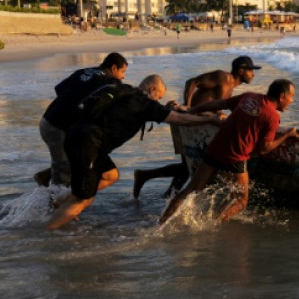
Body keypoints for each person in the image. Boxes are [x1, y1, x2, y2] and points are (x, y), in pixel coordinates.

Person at [46, 74, 223, 230]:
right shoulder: (144, 104)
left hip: (75, 135)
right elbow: (179, 120)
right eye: (158, 96)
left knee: (110, 175)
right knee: (83, 199)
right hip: (88, 144)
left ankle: (61, 204)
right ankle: (46, 234)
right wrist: (211, 119)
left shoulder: (122, 90)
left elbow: (163, 112)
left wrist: (169, 108)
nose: (157, 101)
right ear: (152, 89)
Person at [159, 79, 299, 224]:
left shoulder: (249, 96)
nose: (291, 100)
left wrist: (191, 110)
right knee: (241, 200)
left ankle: (161, 222)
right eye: (291, 96)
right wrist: (287, 135)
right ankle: (215, 224)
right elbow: (264, 149)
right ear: (282, 96)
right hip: (235, 157)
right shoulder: (273, 116)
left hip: (215, 148)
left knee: (191, 189)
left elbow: (218, 104)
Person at [131, 56, 261, 198]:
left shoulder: (231, 87)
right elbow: (192, 82)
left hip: (194, 123)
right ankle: (151, 181)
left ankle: (161, 190)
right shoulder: (223, 77)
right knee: (190, 167)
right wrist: (188, 105)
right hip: (189, 122)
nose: (253, 74)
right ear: (241, 71)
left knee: (187, 168)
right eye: (250, 70)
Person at [34, 52, 129, 187]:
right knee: (64, 176)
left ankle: (45, 178)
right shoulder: (111, 82)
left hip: (47, 121)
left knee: (74, 162)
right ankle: (56, 204)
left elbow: (60, 90)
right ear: (114, 68)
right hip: (58, 128)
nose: (123, 76)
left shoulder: (83, 72)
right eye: (122, 71)